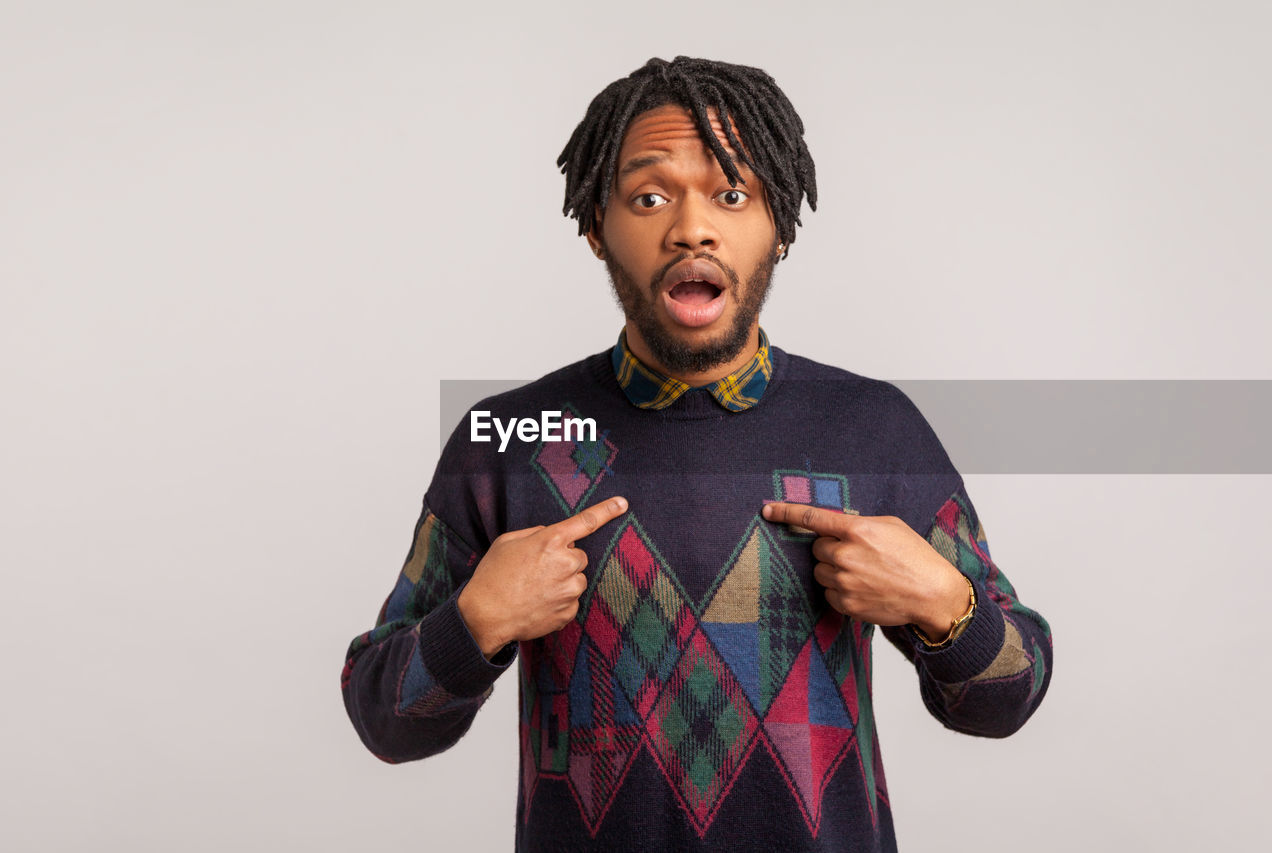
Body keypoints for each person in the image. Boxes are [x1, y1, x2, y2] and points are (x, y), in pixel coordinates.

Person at [340, 56, 1052, 852]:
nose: (690, 226)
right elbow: (382, 720)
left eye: (732, 193)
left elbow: (1009, 696)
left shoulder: (874, 428)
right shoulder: (509, 438)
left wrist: (945, 604)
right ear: (595, 229)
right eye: (648, 197)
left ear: (779, 227)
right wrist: (475, 621)